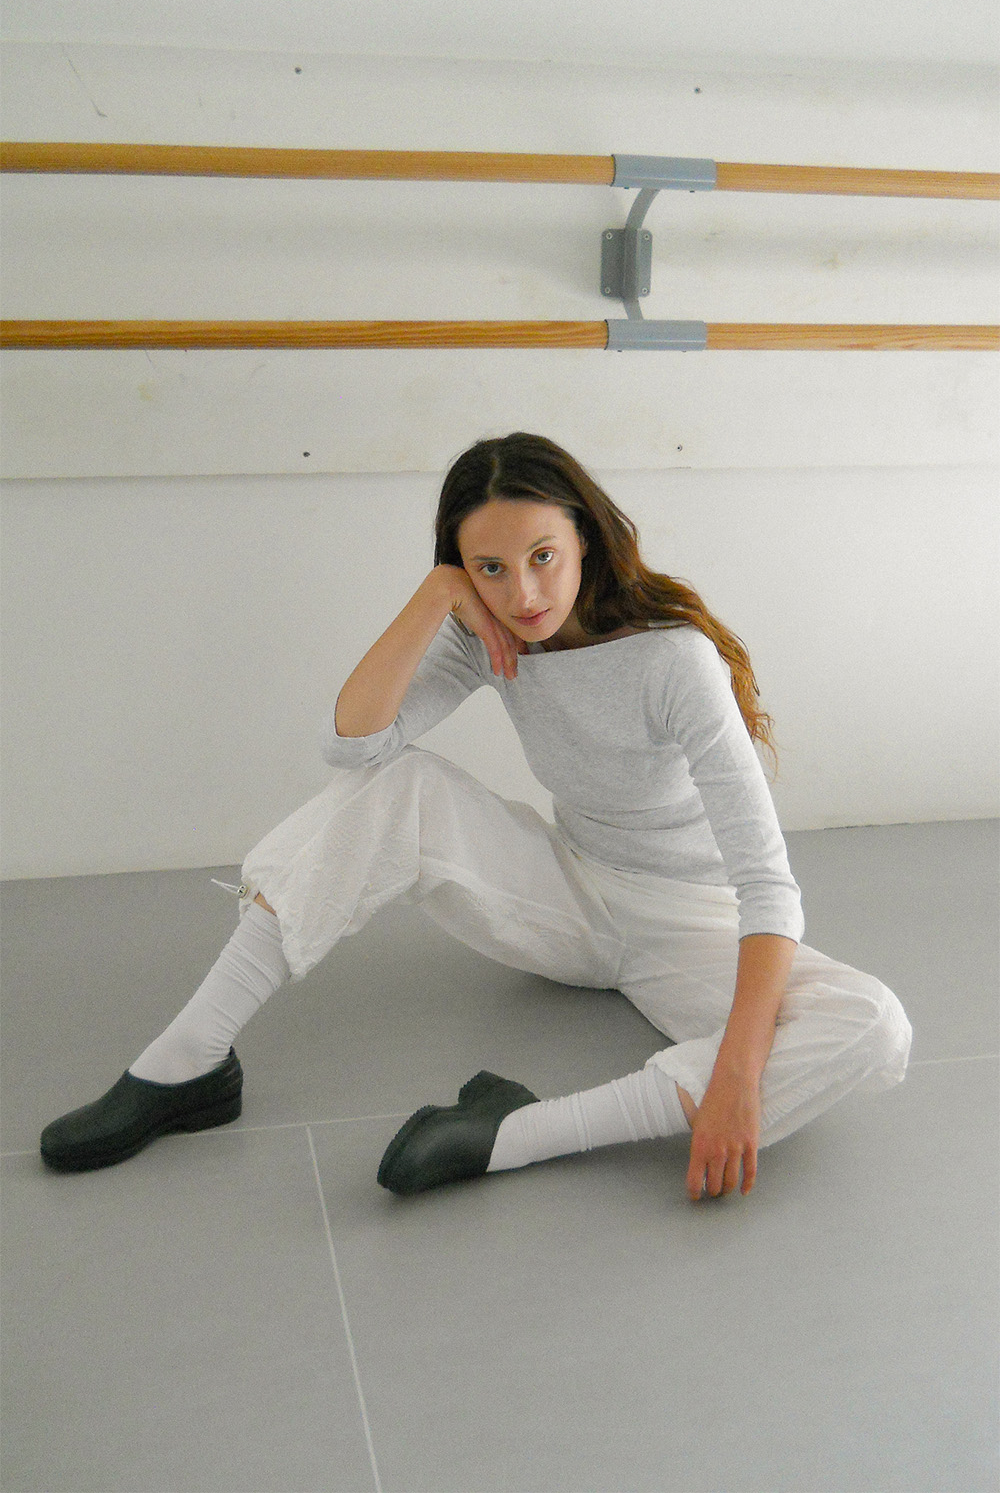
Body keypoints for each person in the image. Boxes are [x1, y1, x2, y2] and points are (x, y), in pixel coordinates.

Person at [41, 433, 912, 1201]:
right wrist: (434, 599)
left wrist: (737, 1074)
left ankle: (511, 1132)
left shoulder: (674, 663)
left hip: (692, 927)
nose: (523, 594)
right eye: (489, 568)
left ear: (586, 538)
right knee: (400, 785)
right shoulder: (490, 635)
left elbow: (767, 886)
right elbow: (354, 747)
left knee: (872, 1026)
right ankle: (188, 1062)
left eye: (542, 556)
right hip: (570, 899)